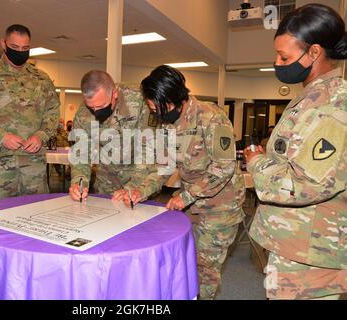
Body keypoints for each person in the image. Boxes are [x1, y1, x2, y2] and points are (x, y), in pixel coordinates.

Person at [244, 3, 347, 300]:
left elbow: (306, 184)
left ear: (314, 52)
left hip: (311, 253)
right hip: (297, 244)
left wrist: (256, 162)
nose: (277, 62)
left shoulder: (330, 106)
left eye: (284, 56)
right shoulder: (311, 97)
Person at [122, 65, 245, 300]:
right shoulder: (167, 125)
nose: (154, 114)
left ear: (173, 100)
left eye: (157, 108)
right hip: (191, 204)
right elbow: (162, 168)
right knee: (184, 260)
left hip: (220, 207)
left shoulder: (211, 117)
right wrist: (139, 191)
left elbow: (224, 167)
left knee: (205, 270)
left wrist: (186, 197)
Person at [0, 24, 60, 202]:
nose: (20, 52)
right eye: (15, 47)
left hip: (34, 163)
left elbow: (52, 112)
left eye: (25, 48)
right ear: (3, 43)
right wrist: (0, 136)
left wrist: (41, 135)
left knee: (35, 214)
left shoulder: (42, 78)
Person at [68, 70, 155, 201]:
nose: (96, 112)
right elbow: (82, 153)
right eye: (91, 107)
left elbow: (148, 148)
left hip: (139, 176)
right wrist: (79, 182)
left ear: (114, 93)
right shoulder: (83, 114)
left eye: (102, 106)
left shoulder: (140, 99)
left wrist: (133, 186)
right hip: (107, 179)